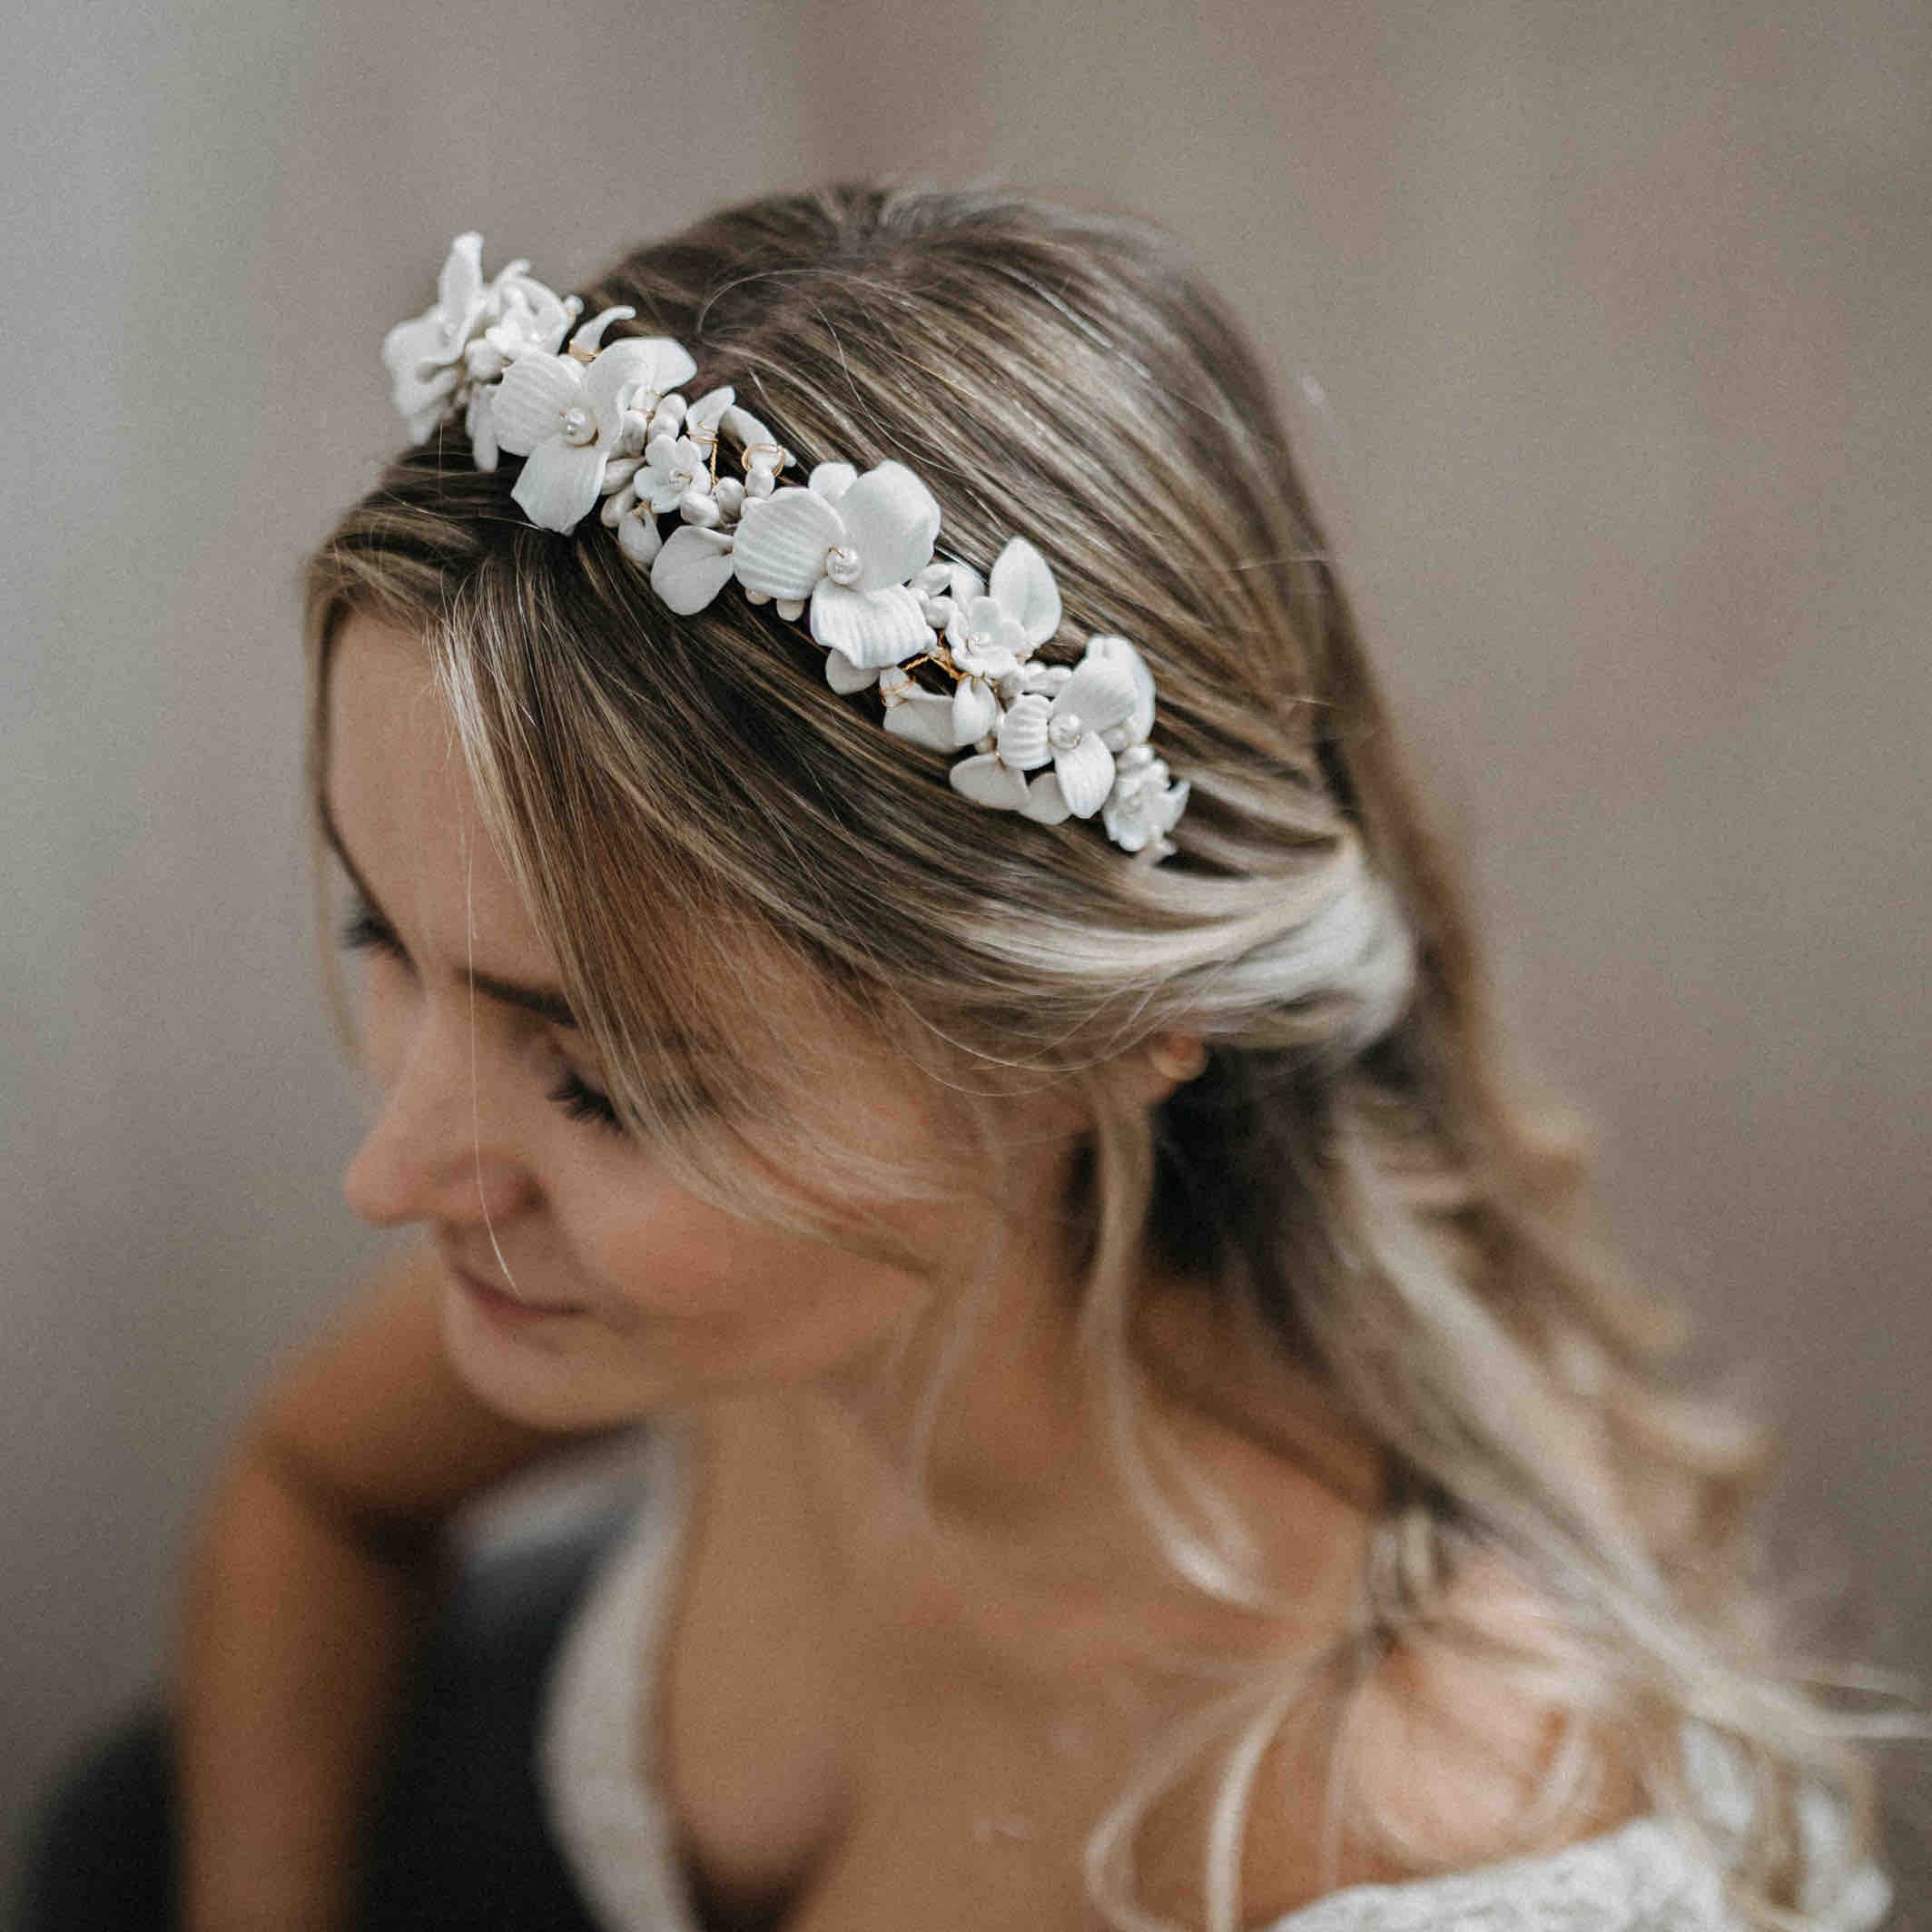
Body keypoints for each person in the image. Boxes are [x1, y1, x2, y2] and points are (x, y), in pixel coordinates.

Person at [31, 182, 1906, 1932]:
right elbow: (319, 1485)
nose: (390, 1171)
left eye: (605, 1080)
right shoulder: (728, 1299)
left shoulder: (1413, 1799)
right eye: (382, 938)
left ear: (1091, 1039)